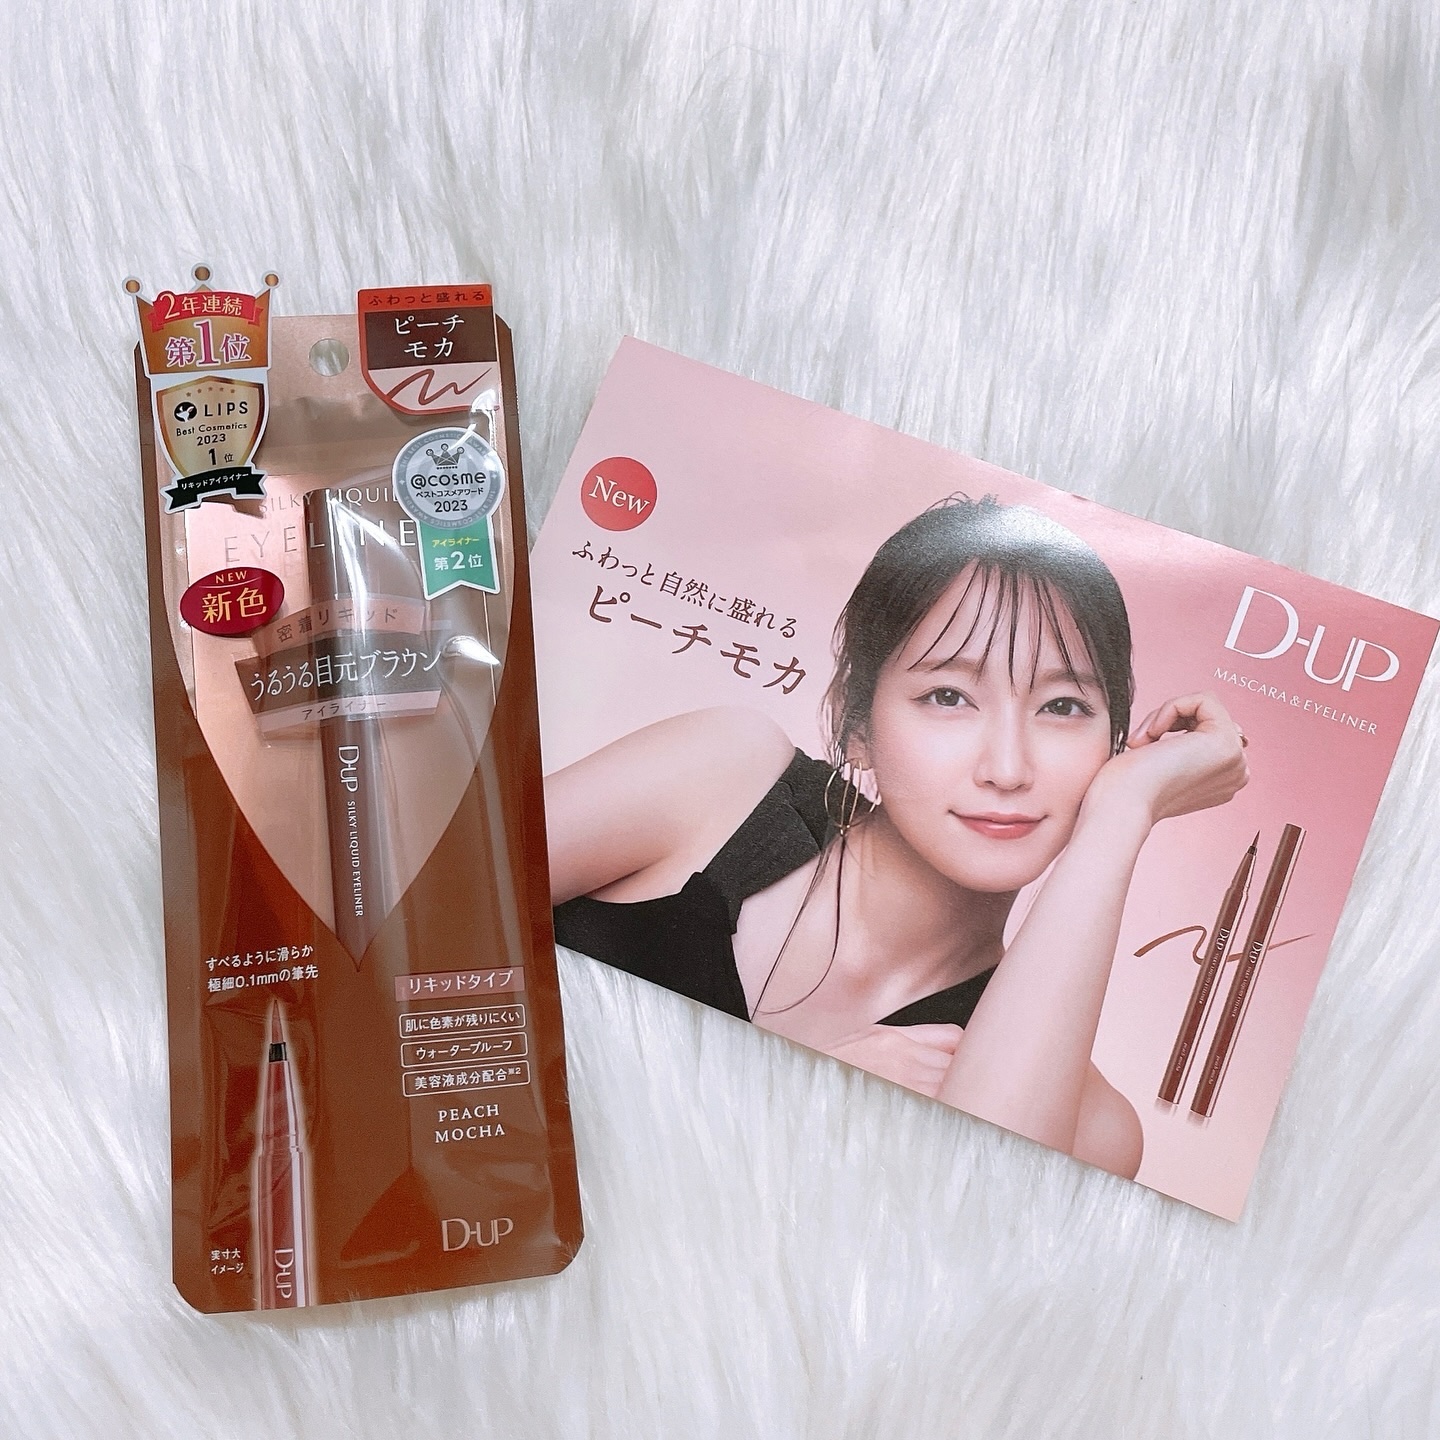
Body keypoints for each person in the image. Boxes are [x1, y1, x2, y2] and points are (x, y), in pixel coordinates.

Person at [546, 497, 1248, 1178]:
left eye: (1063, 706)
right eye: (948, 696)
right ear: (857, 725)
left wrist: (1121, 815)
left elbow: (970, 1212)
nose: (1008, 769)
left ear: (1114, 747)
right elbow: (467, 904)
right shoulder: (723, 780)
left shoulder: (1089, 1125)